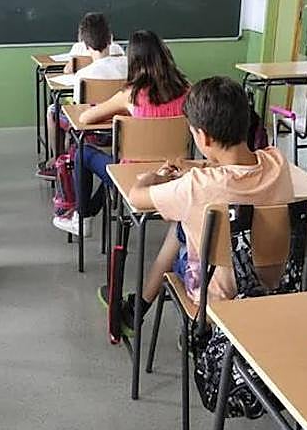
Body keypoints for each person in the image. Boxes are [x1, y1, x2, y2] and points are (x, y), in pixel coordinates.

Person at [97, 76, 294, 335]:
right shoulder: (278, 163)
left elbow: (136, 197)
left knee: (182, 227)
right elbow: (237, 174)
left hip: (213, 297)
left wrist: (152, 177)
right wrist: (201, 168)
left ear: (203, 138)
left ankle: (141, 310)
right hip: (273, 287)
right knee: (188, 225)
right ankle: (139, 309)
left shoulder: (195, 187)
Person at [54, 29, 190, 236]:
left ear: (133, 61)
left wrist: (119, 113)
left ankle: (82, 218)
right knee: (113, 165)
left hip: (133, 178)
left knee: (82, 152)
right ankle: (90, 210)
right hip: (174, 173)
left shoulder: (131, 95)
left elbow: (84, 119)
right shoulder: (187, 91)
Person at [40, 12, 128, 179]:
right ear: (110, 38)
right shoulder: (128, 66)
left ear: (85, 45)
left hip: (92, 133)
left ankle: (58, 159)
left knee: (53, 111)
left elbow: (78, 112)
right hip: (123, 129)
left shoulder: (84, 75)